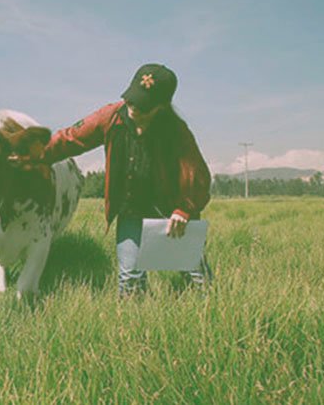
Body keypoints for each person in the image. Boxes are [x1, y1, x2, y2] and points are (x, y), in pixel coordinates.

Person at [15, 64, 212, 295]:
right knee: (129, 277)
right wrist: (34, 155)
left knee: (194, 273)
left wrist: (184, 209)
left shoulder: (176, 130)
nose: (134, 108)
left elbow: (196, 174)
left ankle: (210, 314)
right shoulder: (110, 117)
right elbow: (71, 138)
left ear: (161, 106)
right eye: (131, 100)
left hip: (170, 210)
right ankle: (133, 325)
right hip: (130, 207)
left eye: (143, 106)